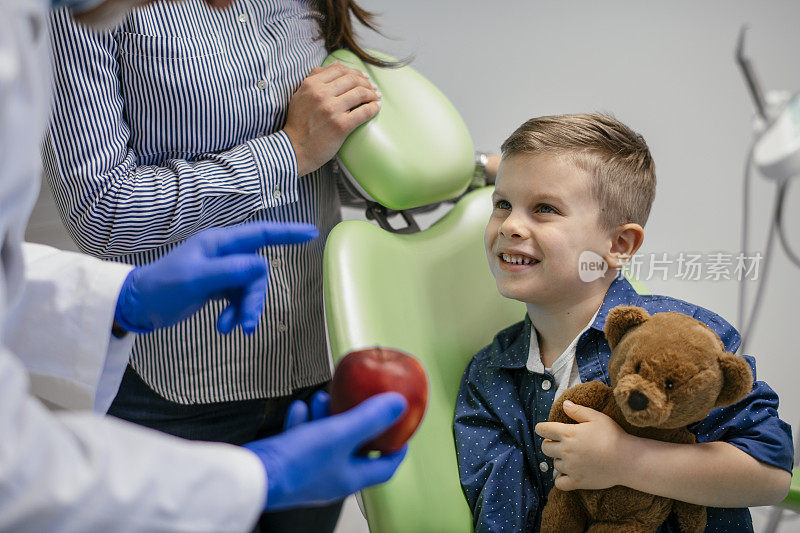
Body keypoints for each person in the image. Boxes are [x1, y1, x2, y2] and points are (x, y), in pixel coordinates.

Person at [0, 0, 407, 530]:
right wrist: (289, 152)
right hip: (175, 383)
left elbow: (346, 157)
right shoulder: (78, 16)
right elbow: (102, 209)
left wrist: (489, 177)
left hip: (312, 361)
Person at [453, 113, 794, 532]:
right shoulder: (488, 378)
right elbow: (502, 515)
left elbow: (771, 475)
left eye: (544, 208)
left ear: (619, 244)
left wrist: (626, 461)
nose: (510, 226)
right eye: (502, 204)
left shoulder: (685, 337)